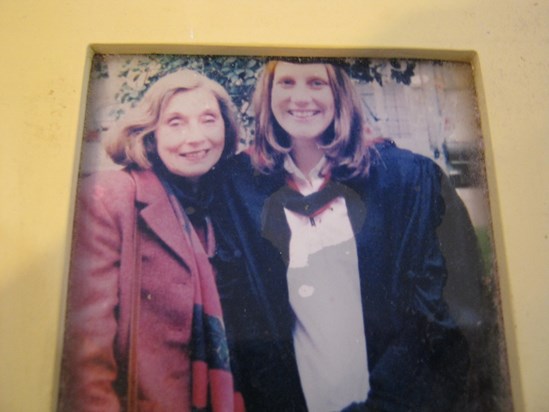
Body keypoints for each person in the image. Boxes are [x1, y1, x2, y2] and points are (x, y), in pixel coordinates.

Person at [213, 60, 471, 412]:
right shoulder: (239, 188)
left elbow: (439, 313)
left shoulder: (404, 179)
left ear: (341, 93)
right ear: (268, 95)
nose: (300, 97)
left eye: (317, 82)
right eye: (286, 82)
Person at [58, 70, 244, 412]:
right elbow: (85, 357)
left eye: (208, 119)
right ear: (149, 133)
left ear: (226, 129)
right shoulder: (111, 197)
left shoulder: (224, 207)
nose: (196, 137)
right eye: (175, 122)